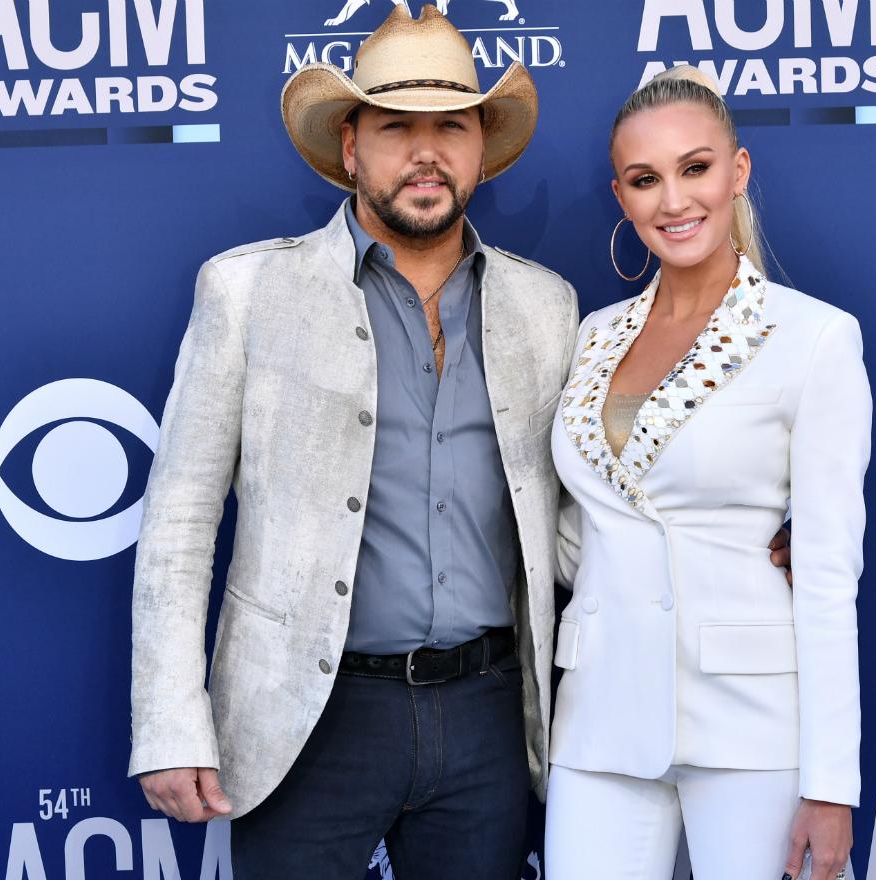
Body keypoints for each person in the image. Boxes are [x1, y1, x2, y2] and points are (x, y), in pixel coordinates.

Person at [126, 7, 575, 879]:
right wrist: (171, 722)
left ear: (482, 147)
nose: (426, 153)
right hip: (305, 715)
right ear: (350, 144)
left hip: (489, 716)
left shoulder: (546, 306)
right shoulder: (248, 291)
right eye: (396, 127)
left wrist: (737, 539)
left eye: (451, 126)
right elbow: (179, 522)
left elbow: (577, 515)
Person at [545, 65, 872, 880]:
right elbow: (572, 534)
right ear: (621, 196)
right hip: (598, 720)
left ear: (738, 171)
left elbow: (829, 576)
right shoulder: (591, 336)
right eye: (645, 180)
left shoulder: (815, 339)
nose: (674, 201)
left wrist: (832, 785)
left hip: (753, 724)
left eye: (695, 168)